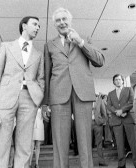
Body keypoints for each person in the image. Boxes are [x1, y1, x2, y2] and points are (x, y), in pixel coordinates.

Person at [42, 7, 105, 168]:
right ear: (54, 25)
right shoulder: (49, 45)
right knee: (60, 142)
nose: (62, 22)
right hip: (58, 95)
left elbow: (100, 60)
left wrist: (80, 42)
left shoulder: (84, 38)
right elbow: (46, 73)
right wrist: (45, 103)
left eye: (64, 19)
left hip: (82, 93)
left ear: (70, 21)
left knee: (84, 140)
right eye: (58, 20)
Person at [0, 16, 44, 168]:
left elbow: (41, 78)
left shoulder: (39, 54)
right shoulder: (6, 46)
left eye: (39, 26)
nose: (38, 28)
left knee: (25, 145)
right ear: (24, 26)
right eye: (35, 24)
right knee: (1, 143)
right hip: (6, 97)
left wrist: (38, 98)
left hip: (29, 99)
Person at [107, 74, 136, 168]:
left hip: (128, 119)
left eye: (119, 79)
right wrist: (118, 112)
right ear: (113, 82)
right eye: (116, 80)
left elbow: (131, 101)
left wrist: (123, 110)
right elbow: (109, 105)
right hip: (117, 121)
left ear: (123, 81)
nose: (118, 81)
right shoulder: (110, 93)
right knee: (120, 145)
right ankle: (121, 164)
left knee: (133, 143)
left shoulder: (129, 89)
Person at [92, 94, 108, 166]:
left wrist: (102, 121)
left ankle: (101, 161)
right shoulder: (85, 100)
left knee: (99, 143)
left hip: (98, 124)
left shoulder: (99, 100)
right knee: (88, 144)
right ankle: (89, 162)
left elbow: (104, 113)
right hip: (87, 124)